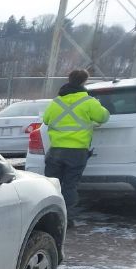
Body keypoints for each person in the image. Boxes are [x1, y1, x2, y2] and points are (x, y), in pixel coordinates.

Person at [42, 69, 110, 227]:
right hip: (77, 151)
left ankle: (48, 217)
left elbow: (46, 120)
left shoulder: (56, 102)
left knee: (52, 184)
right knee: (70, 185)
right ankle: (66, 219)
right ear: (84, 82)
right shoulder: (89, 102)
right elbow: (104, 117)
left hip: (56, 149)